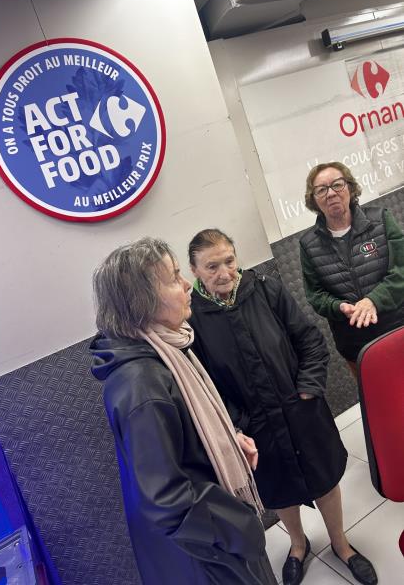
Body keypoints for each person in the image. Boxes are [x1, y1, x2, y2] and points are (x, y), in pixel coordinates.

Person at [187, 228, 377, 585]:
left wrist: (308, 388)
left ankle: (340, 543)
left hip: (300, 408)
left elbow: (309, 339)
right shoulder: (192, 319)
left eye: (229, 261)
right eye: (212, 266)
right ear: (194, 270)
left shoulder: (266, 290)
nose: (224, 273)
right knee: (278, 486)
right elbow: (203, 384)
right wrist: (238, 421)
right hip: (254, 425)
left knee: (323, 476)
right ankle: (298, 544)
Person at [90, 237, 277, 585]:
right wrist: (241, 525)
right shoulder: (142, 384)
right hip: (205, 557)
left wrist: (229, 438)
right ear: (142, 299)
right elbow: (168, 500)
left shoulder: (166, 349)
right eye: (174, 278)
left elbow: (185, 439)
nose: (187, 285)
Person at [300, 161, 404, 374]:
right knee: (377, 394)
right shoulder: (308, 244)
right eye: (321, 190)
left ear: (350, 187)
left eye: (337, 185)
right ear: (314, 199)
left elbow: (401, 269)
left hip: (398, 328)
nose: (331, 193)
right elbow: (315, 295)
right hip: (355, 346)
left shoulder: (381, 219)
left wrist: (373, 300)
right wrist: (338, 307)